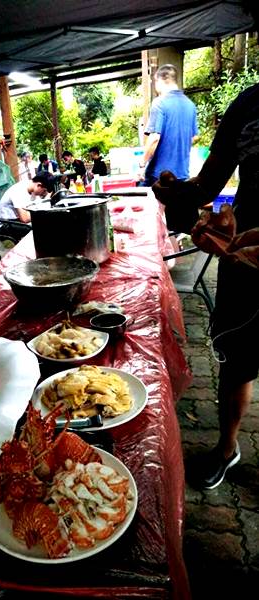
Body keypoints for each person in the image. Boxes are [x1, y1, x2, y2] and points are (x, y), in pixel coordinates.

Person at [152, 0, 259, 490]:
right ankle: (228, 448)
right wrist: (178, 192)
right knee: (237, 359)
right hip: (244, 258)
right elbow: (210, 184)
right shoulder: (249, 104)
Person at [140, 63, 198, 187]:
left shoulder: (159, 103)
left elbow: (154, 138)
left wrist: (141, 164)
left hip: (159, 176)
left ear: (161, 80)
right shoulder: (191, 105)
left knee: (140, 195)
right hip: (182, 175)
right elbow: (194, 137)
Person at [0, 173, 54, 241]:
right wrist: (39, 212)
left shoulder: (32, 190)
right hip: (4, 225)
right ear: (39, 185)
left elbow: (37, 209)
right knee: (36, 229)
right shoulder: (19, 190)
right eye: (44, 191)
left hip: (16, 222)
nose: (43, 194)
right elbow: (25, 218)